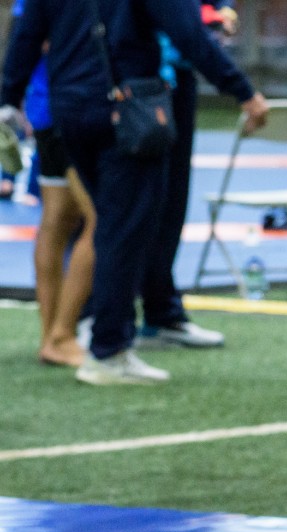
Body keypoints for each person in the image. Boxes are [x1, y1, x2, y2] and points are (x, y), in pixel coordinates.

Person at [0, 0, 268, 387]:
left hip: (67, 108)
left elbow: (26, 35)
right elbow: (188, 32)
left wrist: (8, 98)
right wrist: (243, 91)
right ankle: (107, 346)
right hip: (124, 106)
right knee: (122, 229)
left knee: (94, 224)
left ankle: (82, 333)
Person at [137, 2, 237, 355]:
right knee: (120, 209)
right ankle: (93, 322)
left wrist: (222, 10)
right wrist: (241, 90)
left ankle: (161, 313)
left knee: (170, 203)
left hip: (174, 79)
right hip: (135, 83)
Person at [11, 0, 94, 370]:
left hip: (48, 106)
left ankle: (52, 337)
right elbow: (30, 36)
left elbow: (25, 35)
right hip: (73, 107)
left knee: (57, 218)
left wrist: (10, 95)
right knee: (102, 221)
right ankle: (63, 334)